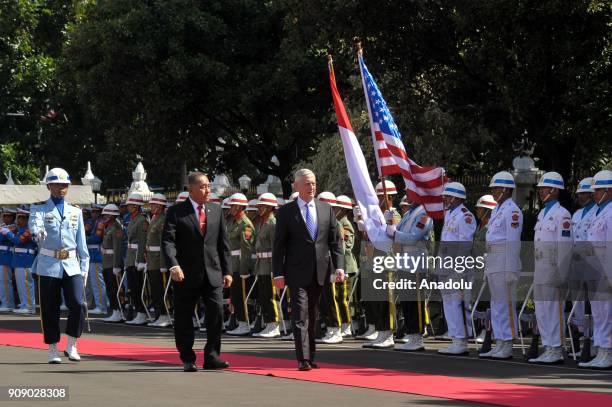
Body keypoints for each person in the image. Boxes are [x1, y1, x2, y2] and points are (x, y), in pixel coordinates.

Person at [272, 168, 344, 371]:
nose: (311, 187)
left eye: (313, 183)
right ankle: (302, 358)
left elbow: (335, 242)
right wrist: (278, 273)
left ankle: (311, 355)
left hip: (320, 271)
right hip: (295, 272)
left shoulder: (325, 209)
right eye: (306, 183)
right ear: (296, 186)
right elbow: (279, 245)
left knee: (313, 315)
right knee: (300, 314)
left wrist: (339, 267)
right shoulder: (286, 211)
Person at [162, 171, 232, 372]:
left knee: (216, 314)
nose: (207, 189)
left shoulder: (216, 210)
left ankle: (212, 356)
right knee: (184, 317)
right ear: (190, 189)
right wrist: (173, 265)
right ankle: (187, 357)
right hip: (185, 274)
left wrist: (227, 271)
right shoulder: (176, 212)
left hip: (213, 273)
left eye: (208, 186)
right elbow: (168, 241)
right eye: (202, 186)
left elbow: (223, 244)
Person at [29, 168, 89, 363]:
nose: (61, 188)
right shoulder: (38, 208)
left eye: (64, 185)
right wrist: (38, 234)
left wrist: (84, 268)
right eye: (57, 184)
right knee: (49, 307)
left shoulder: (76, 211)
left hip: (71, 264)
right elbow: (35, 226)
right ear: (49, 186)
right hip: (48, 264)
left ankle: (72, 344)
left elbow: (82, 243)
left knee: (78, 304)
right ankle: (53, 348)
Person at [528, 172, 573, 364]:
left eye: (544, 188)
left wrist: (561, 274)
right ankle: (548, 346)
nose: (540, 191)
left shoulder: (562, 215)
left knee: (553, 308)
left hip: (553, 267)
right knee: (541, 308)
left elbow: (565, 247)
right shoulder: (542, 213)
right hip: (540, 266)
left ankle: (555, 348)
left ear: (554, 190)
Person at [479, 171, 523, 360]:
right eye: (493, 188)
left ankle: (507, 343)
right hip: (494, 261)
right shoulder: (497, 209)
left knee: (506, 306)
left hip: (505, 261)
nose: (494, 192)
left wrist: (511, 268)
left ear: (506, 189)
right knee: (496, 305)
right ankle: (499, 342)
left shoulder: (512, 211)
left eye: (497, 188)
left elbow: (513, 241)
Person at [386, 193, 433, 352]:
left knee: (416, 301)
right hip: (404, 261)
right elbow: (397, 233)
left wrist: (395, 233)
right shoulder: (408, 214)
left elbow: (413, 237)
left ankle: (418, 337)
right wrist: (390, 224)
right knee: (407, 300)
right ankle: (411, 333)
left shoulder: (424, 214)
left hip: (416, 261)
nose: (408, 196)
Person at [436, 182, 476, 356]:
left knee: (456, 303)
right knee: (448, 304)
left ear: (456, 197)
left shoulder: (465, 216)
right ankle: (455, 339)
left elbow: (465, 245)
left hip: (456, 268)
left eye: (447, 196)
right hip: (445, 265)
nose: (445, 199)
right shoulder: (449, 214)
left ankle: (461, 340)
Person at [579, 169, 612, 369]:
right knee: (599, 313)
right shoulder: (599, 211)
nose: (594, 194)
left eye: (598, 190)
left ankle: (607, 353)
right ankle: (600, 351)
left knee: (607, 313)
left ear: (609, 190)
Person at [252, 193, 281, 338]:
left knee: (270, 295)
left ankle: (274, 325)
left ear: (270, 207)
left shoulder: (273, 223)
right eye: (259, 206)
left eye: (262, 206)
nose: (259, 208)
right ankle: (268, 323)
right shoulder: (262, 222)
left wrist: (275, 268)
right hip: (261, 264)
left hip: (270, 265)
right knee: (263, 296)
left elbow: (276, 248)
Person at [146, 193, 171, 327]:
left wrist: (163, 263)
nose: (151, 207)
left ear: (161, 206)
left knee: (161, 290)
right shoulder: (154, 219)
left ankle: (165, 315)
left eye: (154, 205)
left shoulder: (163, 221)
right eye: (151, 204)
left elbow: (163, 244)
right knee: (155, 290)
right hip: (152, 260)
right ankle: (158, 315)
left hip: (158, 261)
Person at [100, 204, 125, 323]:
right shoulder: (108, 227)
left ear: (112, 215)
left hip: (112, 263)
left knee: (115, 289)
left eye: (106, 214)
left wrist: (116, 265)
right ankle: (114, 310)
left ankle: (119, 311)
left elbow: (118, 248)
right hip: (106, 262)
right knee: (110, 288)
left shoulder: (116, 228)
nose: (104, 216)